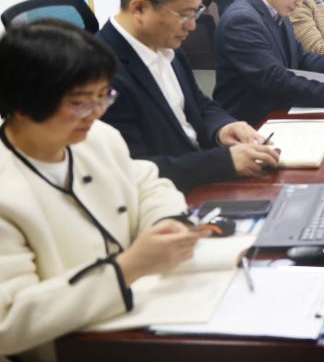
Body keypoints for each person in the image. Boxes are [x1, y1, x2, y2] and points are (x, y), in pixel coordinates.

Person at [0, 20, 203, 362]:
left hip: (140, 322)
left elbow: (147, 183)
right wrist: (128, 268)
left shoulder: (98, 138)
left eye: (103, 96)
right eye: (79, 102)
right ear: (21, 105)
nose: (94, 114)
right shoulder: (8, 187)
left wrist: (165, 222)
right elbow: (9, 322)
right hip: (67, 348)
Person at [97, 0, 280, 193]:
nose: (193, 26)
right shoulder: (100, 73)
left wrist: (223, 127)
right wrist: (224, 162)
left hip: (204, 177)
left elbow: (198, 103)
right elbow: (133, 170)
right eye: (185, 15)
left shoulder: (166, 45)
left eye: (196, 13)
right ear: (139, 8)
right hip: (168, 196)